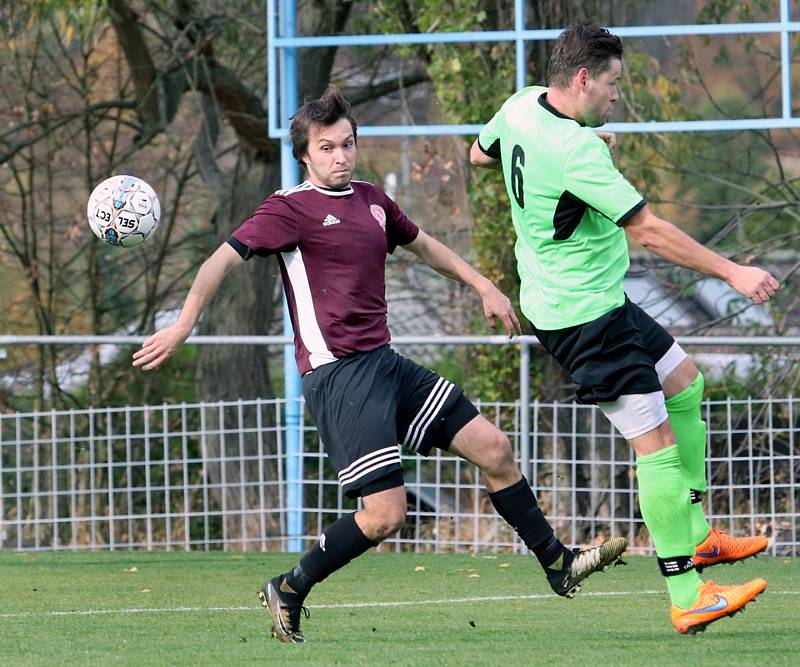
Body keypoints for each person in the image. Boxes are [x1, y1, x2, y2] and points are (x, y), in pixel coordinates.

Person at [132, 86, 627, 644]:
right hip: (339, 377)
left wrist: (483, 284)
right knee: (386, 515)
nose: (340, 156)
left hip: (386, 367)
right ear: (305, 155)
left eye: (347, 144)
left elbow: (424, 245)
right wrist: (182, 324)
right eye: (327, 148)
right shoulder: (287, 209)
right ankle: (290, 587)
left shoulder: (371, 199)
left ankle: (558, 563)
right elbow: (218, 261)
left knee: (494, 449)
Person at [470, 25, 776, 635]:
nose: (617, 96)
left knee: (686, 384)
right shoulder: (577, 152)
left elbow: (479, 154)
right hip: (584, 319)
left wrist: (566, 156)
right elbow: (650, 231)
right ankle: (688, 593)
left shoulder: (520, 105)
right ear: (582, 79)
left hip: (589, 300)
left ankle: (700, 536)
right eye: (612, 84)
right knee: (655, 446)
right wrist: (733, 271)